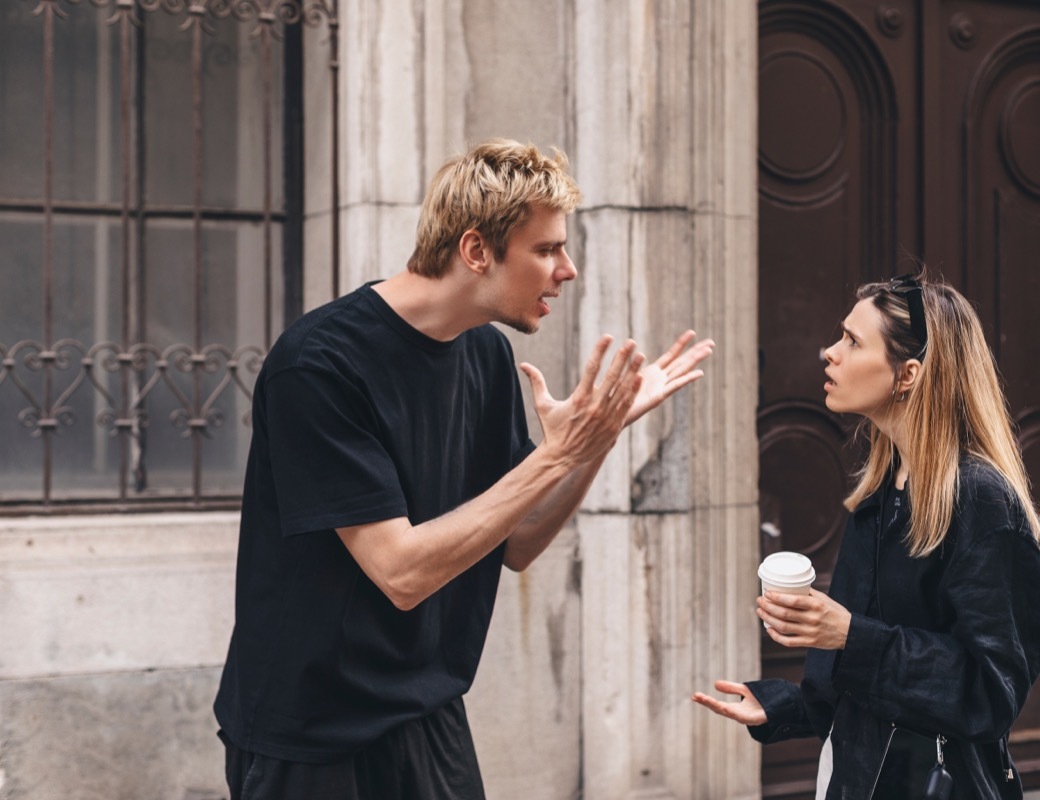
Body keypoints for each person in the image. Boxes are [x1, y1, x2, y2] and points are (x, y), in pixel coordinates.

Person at [214, 138, 714, 800]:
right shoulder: (319, 365)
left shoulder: (484, 357)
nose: (567, 270)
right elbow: (402, 572)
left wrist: (598, 436)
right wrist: (559, 452)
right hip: (310, 735)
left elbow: (517, 541)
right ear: (476, 250)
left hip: (427, 714)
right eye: (546, 250)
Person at [693, 272, 1040, 799]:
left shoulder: (980, 498)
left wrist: (849, 635)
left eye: (852, 341)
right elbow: (861, 681)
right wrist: (784, 705)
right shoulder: (880, 497)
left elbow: (990, 693)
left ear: (907, 374)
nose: (829, 352)